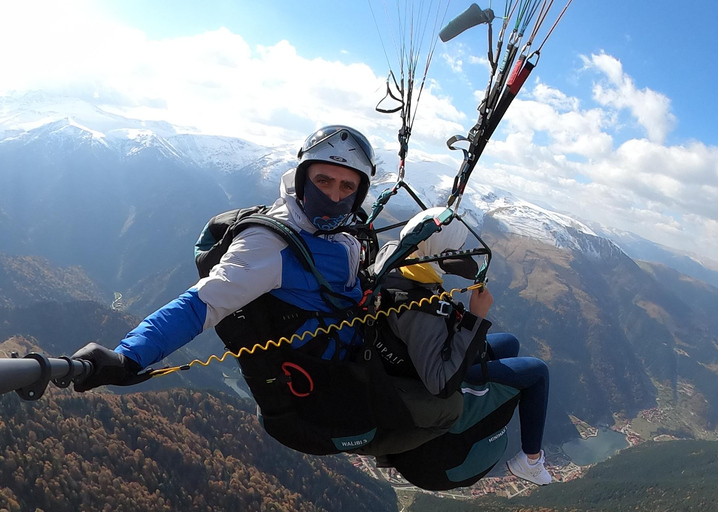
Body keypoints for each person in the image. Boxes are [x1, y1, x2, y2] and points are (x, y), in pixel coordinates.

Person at [71, 125, 439, 456]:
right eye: (324, 181)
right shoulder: (270, 245)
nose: (335, 196)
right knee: (454, 406)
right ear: (301, 180)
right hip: (329, 385)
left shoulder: (339, 231)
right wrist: (127, 357)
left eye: (347, 187)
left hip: (355, 352)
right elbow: (200, 304)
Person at [373, 207, 553, 486]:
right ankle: (530, 461)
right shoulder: (422, 309)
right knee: (538, 372)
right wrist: (474, 318)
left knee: (509, 343)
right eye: (453, 250)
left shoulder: (395, 260)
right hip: (432, 378)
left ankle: (491, 401)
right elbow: (440, 382)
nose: (456, 256)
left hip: (409, 357)